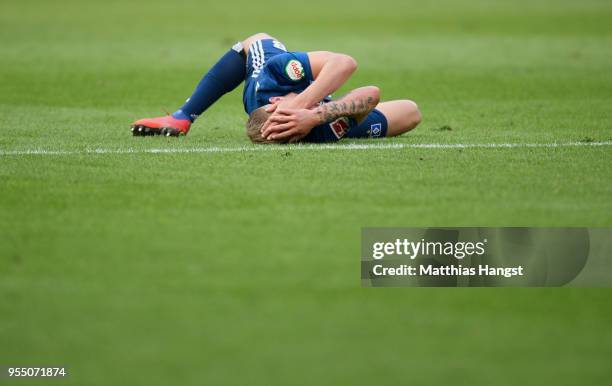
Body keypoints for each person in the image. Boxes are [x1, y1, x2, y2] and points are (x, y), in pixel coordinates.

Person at [131, 33, 421, 143]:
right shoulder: (317, 132)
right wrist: (317, 115)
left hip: (283, 86)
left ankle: (184, 115)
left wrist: (301, 103)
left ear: (277, 102)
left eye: (287, 109)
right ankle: (183, 116)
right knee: (409, 113)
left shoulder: (271, 76)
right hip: (325, 117)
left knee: (255, 39)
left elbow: (345, 63)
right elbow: (391, 102)